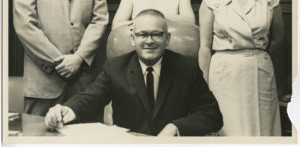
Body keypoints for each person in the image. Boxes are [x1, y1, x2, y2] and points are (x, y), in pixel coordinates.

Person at [45, 9, 223, 136]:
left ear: (167, 39)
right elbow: (91, 98)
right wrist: (67, 109)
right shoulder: (115, 67)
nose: (149, 41)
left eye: (156, 34)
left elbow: (211, 114)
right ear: (132, 38)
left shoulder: (187, 67)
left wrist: (175, 127)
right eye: (142, 35)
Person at [198, 0, 284, 136]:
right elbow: (204, 46)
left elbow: (279, 39)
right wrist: (202, 87)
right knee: (227, 128)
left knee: (261, 129)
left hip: (259, 72)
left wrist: (256, 57)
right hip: (223, 73)